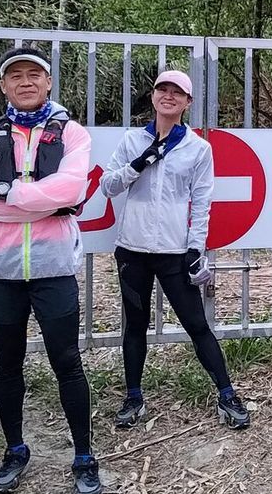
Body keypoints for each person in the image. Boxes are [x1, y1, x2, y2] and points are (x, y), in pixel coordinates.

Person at [0, 46, 101, 494]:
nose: (25, 82)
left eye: (34, 74)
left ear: (48, 82)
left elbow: (73, 189)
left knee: (68, 363)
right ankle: (15, 450)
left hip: (53, 267)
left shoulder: (72, 133)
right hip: (1, 270)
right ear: (3, 86)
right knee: (8, 364)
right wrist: (45, 201)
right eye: (16, 75)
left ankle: (83, 457)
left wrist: (7, 191)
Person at [101, 70, 250, 432]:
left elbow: (201, 201)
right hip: (132, 249)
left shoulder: (198, 148)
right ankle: (133, 397)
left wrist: (196, 247)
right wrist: (139, 162)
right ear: (153, 96)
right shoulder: (132, 140)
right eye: (162, 90)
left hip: (174, 251)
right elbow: (108, 186)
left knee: (197, 324)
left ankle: (227, 394)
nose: (168, 96)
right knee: (135, 325)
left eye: (177, 92)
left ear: (187, 102)